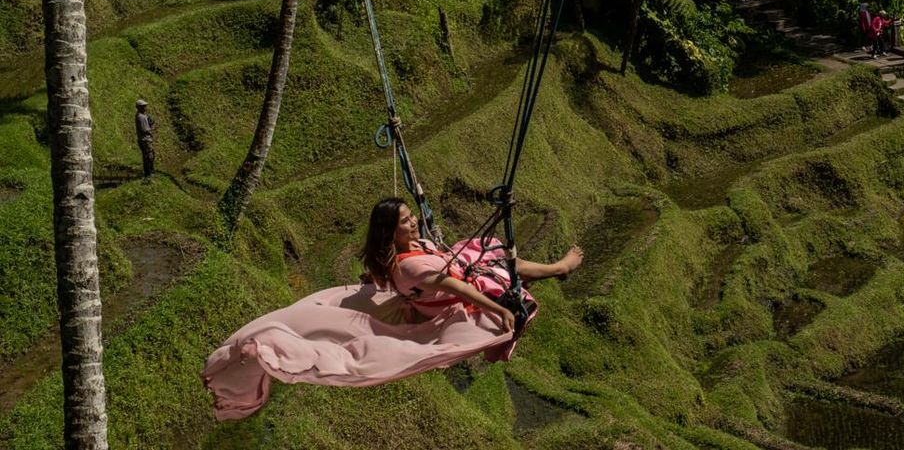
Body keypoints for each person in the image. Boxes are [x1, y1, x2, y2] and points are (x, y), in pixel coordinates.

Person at [201, 197, 583, 421]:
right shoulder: (412, 265)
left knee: (491, 254)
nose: (413, 222)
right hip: (444, 302)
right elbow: (456, 286)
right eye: (405, 222)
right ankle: (558, 269)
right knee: (499, 274)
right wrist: (496, 310)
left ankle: (554, 269)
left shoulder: (401, 255)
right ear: (391, 232)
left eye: (411, 216)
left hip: (445, 275)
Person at [134, 99, 155, 182]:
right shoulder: (141, 117)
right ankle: (148, 174)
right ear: (139, 107)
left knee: (148, 155)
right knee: (149, 156)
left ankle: (149, 172)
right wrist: (152, 126)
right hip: (145, 140)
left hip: (144, 139)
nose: (145, 108)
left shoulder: (141, 115)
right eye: (143, 106)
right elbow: (145, 130)